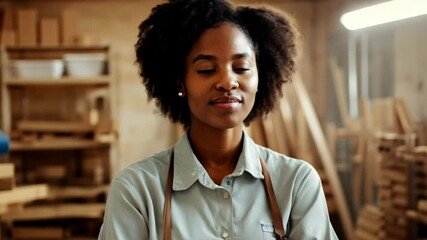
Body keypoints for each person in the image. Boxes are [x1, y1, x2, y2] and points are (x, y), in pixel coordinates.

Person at [98, 0, 338, 239]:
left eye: (242, 68)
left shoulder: (296, 183)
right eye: (206, 69)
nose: (227, 82)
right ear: (180, 82)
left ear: (260, 79)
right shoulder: (136, 191)